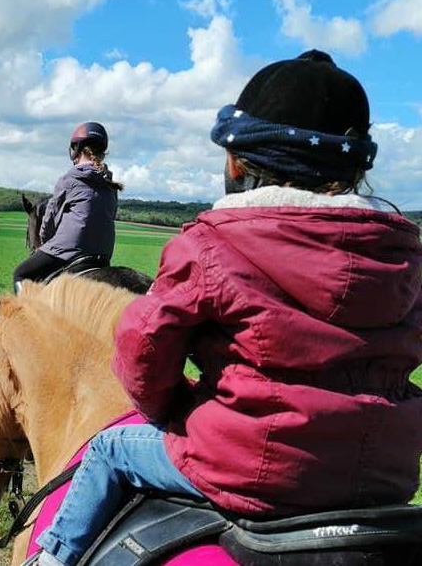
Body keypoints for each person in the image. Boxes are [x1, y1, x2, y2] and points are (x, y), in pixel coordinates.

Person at [26, 50, 422, 566]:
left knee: (108, 449)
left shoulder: (212, 243)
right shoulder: (405, 255)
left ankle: (51, 559)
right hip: (383, 475)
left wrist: (172, 409)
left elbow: (142, 349)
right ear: (356, 168)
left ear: (235, 162)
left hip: (245, 466)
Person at [13, 122, 122, 293]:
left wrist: (45, 242)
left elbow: (49, 218)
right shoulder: (110, 185)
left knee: (20, 273)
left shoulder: (69, 179)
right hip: (103, 254)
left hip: (67, 251)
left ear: (76, 150)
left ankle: (24, 319)